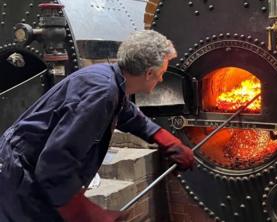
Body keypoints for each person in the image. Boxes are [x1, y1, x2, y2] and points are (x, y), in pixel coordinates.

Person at [0, 30, 194, 222]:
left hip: (26, 168)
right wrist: (87, 214)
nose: (161, 79)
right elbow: (55, 163)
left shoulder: (109, 78)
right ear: (149, 73)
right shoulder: (102, 93)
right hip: (19, 174)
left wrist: (165, 139)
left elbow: (128, 112)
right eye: (161, 73)